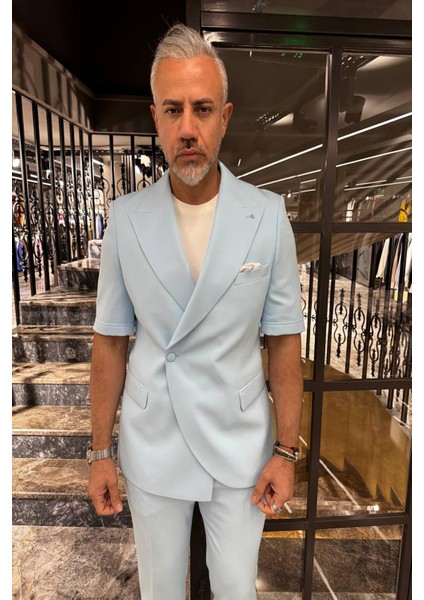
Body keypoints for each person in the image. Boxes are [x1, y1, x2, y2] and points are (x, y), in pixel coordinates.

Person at [87, 23, 304, 600]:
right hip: (153, 437)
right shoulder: (125, 220)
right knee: (160, 588)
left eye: (202, 109)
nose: (188, 127)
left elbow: (284, 340)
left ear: (224, 118)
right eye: (173, 110)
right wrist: (100, 452)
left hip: (240, 441)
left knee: (235, 587)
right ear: (155, 118)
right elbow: (110, 340)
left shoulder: (267, 216)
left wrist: (286, 451)